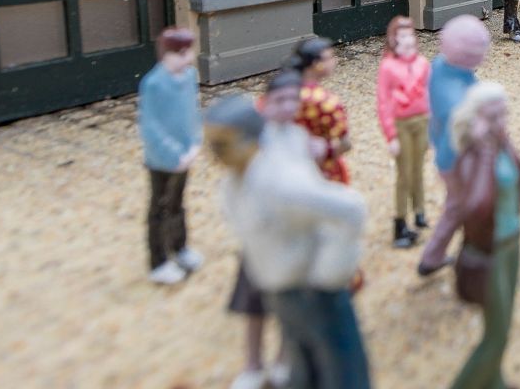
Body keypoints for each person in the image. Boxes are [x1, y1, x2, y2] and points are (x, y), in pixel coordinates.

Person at [205, 93, 370, 389]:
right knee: (301, 363)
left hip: (315, 290)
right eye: (211, 145)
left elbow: (350, 210)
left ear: (249, 139)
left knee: (340, 369)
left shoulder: (281, 182)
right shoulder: (233, 184)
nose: (215, 154)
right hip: (279, 292)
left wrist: (330, 273)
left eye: (222, 144)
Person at [449, 82, 520, 389]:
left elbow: (518, 177)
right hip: (488, 250)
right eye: (494, 116)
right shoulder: (471, 158)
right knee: (496, 333)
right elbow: (477, 207)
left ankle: (494, 381)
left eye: (504, 113)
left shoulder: (502, 143)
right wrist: (484, 151)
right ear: (477, 118)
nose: (502, 122)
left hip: (511, 243)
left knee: (504, 321)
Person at [227, 70, 305, 389]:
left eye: (293, 100)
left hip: (291, 237)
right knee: (255, 306)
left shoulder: (299, 138)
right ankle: (252, 364)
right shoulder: (257, 140)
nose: (288, 106)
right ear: (266, 102)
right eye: (280, 100)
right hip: (261, 240)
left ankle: (283, 361)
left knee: (290, 308)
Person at [418, 15, 491, 276]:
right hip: (458, 160)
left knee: (457, 206)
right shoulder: (454, 99)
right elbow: (468, 129)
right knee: (466, 207)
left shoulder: (441, 65)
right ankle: (463, 260)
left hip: (447, 152)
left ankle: (434, 256)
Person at [137, 26, 204, 285]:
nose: (187, 58)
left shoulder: (188, 77)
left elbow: (191, 112)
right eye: (182, 53)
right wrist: (174, 153)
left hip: (185, 153)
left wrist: (195, 142)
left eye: (189, 52)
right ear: (167, 54)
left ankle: (180, 247)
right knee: (160, 208)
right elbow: (150, 126)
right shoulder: (153, 84)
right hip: (162, 159)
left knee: (178, 203)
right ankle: (159, 261)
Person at [377, 16, 431, 249]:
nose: (407, 39)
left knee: (418, 168)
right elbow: (383, 102)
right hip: (401, 123)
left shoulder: (422, 63)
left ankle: (419, 211)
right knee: (404, 173)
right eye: (402, 35)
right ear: (393, 39)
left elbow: (430, 93)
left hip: (422, 121)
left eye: (410, 34)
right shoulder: (388, 67)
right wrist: (391, 134)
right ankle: (400, 221)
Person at [289, 38, 352, 185]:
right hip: (322, 172)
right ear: (317, 65)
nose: (335, 61)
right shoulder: (326, 102)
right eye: (330, 57)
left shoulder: (283, 92)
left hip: (290, 168)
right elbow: (345, 143)